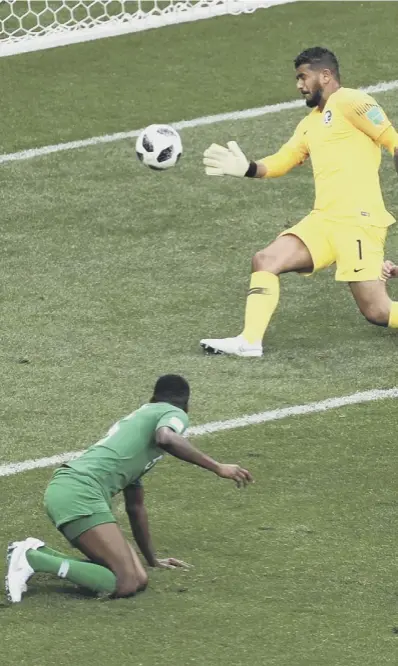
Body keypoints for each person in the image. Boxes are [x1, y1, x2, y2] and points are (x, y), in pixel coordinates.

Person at [200, 47, 398, 358]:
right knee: (265, 260)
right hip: (324, 221)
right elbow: (285, 159)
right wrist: (248, 168)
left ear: (326, 75)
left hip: (358, 221)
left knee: (377, 311)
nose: (299, 85)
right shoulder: (310, 124)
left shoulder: (352, 101)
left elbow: (392, 140)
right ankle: (250, 341)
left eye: (303, 77)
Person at [5, 374, 252, 602]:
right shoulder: (170, 412)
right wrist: (218, 467)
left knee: (140, 578)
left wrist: (152, 558)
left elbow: (136, 507)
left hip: (74, 488)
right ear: (185, 404)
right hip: (79, 491)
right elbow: (166, 437)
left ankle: (36, 552)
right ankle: (32, 559)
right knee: (125, 583)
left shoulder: (139, 426)